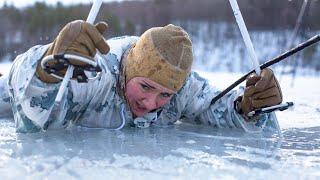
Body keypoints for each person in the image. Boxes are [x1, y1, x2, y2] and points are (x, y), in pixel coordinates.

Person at [0, 20, 282, 133]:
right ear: (129, 72)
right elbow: (32, 122)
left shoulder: (183, 90)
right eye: (145, 86)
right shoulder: (97, 75)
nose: (150, 102)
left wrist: (250, 108)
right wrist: (46, 72)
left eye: (165, 95)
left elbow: (214, 106)